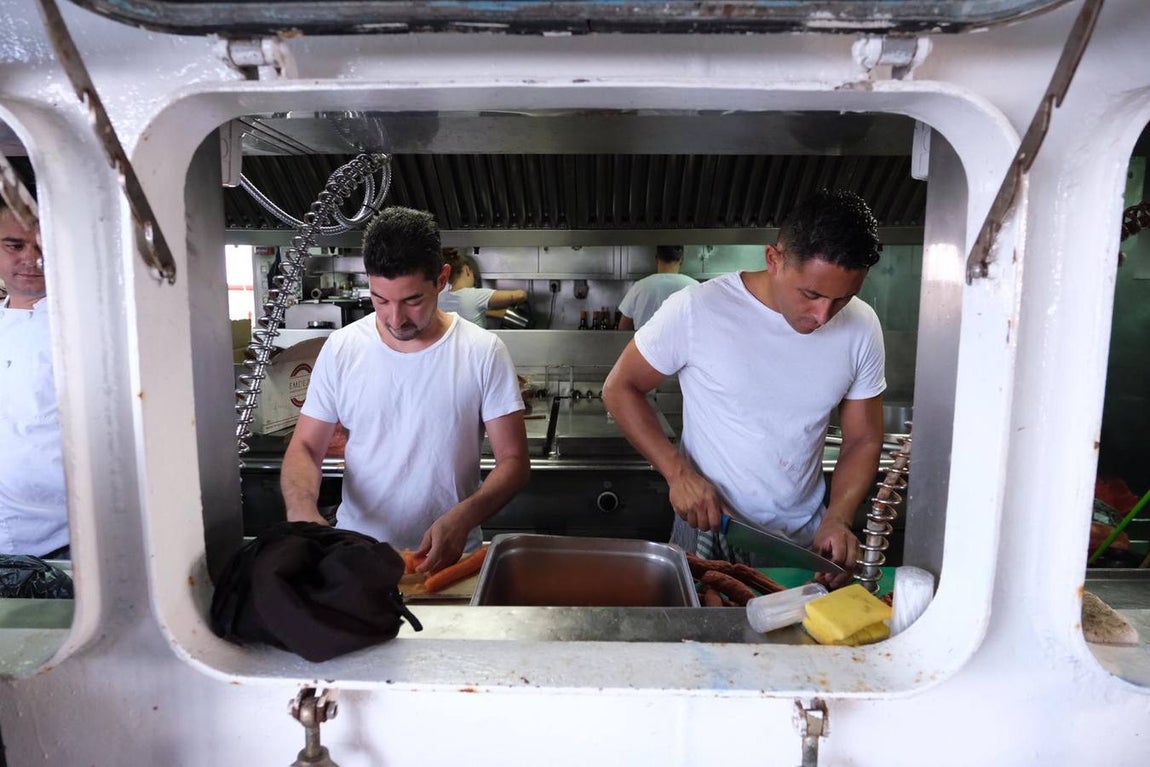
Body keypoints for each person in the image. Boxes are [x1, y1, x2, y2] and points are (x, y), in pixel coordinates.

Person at [603, 190, 885, 587]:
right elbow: (620, 387)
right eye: (811, 294)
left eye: (842, 299)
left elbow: (863, 439)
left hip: (803, 542)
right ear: (774, 259)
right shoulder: (698, 309)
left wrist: (838, 517)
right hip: (709, 528)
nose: (823, 316)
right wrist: (677, 474)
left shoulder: (862, 326)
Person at [281, 207, 530, 573]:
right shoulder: (342, 348)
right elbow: (305, 446)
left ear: (441, 279)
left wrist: (463, 518)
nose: (395, 319)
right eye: (380, 300)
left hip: (448, 563)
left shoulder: (482, 351)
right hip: (357, 557)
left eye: (412, 300)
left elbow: (514, 463)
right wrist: (302, 511)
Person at [0, 200, 69, 558]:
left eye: (43, 246)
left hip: (62, 541)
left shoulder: (85, 331)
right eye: (15, 245)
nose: (32, 258)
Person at [438, 248, 528, 327]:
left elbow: (468, 310)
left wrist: (490, 313)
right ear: (467, 270)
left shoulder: (439, 298)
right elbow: (520, 295)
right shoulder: (475, 295)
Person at [616, 245, 699, 331]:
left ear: (656, 259)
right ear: (681, 260)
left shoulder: (639, 287)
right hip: (683, 344)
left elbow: (623, 328)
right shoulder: (695, 287)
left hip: (646, 344)